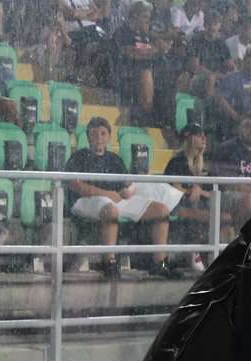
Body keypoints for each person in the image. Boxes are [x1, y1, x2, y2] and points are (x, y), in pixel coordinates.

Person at [65, 116, 177, 278]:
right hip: (84, 201)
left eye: (103, 133)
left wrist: (128, 190)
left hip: (115, 200)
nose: (98, 137)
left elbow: (127, 185)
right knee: (111, 209)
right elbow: (76, 185)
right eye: (94, 133)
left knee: (161, 210)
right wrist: (107, 194)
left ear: (109, 137)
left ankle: (160, 263)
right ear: (88, 137)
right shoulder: (79, 156)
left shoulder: (115, 159)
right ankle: (109, 263)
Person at [164, 123, 233, 270]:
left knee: (226, 217)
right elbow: (174, 188)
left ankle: (222, 258)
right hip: (177, 206)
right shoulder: (177, 161)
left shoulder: (201, 165)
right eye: (199, 135)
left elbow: (208, 191)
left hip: (197, 205)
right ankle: (195, 252)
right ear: (188, 138)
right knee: (216, 217)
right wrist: (192, 191)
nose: (204, 138)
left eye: (204, 135)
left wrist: (200, 192)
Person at [112, 1, 158, 125]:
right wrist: (147, 52)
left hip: (145, 70)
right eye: (145, 17)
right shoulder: (122, 32)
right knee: (146, 71)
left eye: (149, 18)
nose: (148, 21)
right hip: (125, 71)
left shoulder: (145, 36)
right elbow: (128, 52)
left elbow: (154, 50)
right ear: (134, 16)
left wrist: (144, 51)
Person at [207, 114, 251, 236]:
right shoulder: (227, 148)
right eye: (247, 126)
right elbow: (224, 182)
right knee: (248, 201)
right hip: (222, 195)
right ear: (239, 129)